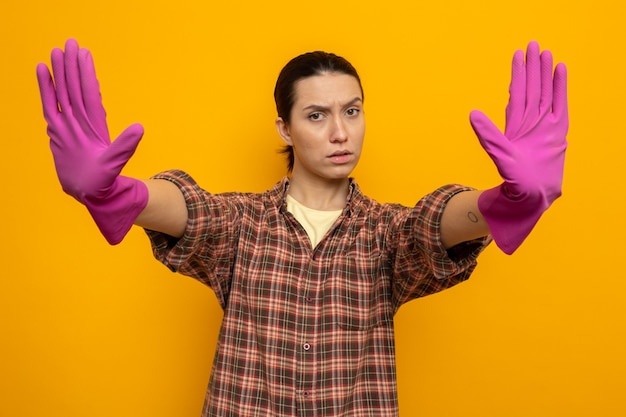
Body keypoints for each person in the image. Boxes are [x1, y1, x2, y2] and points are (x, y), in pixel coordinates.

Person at [36, 39, 568, 417]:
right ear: (284, 128)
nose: (341, 132)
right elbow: (190, 210)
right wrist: (117, 192)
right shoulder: (242, 225)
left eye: (353, 111)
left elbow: (434, 225)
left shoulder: (386, 234)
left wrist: (503, 201)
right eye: (316, 116)